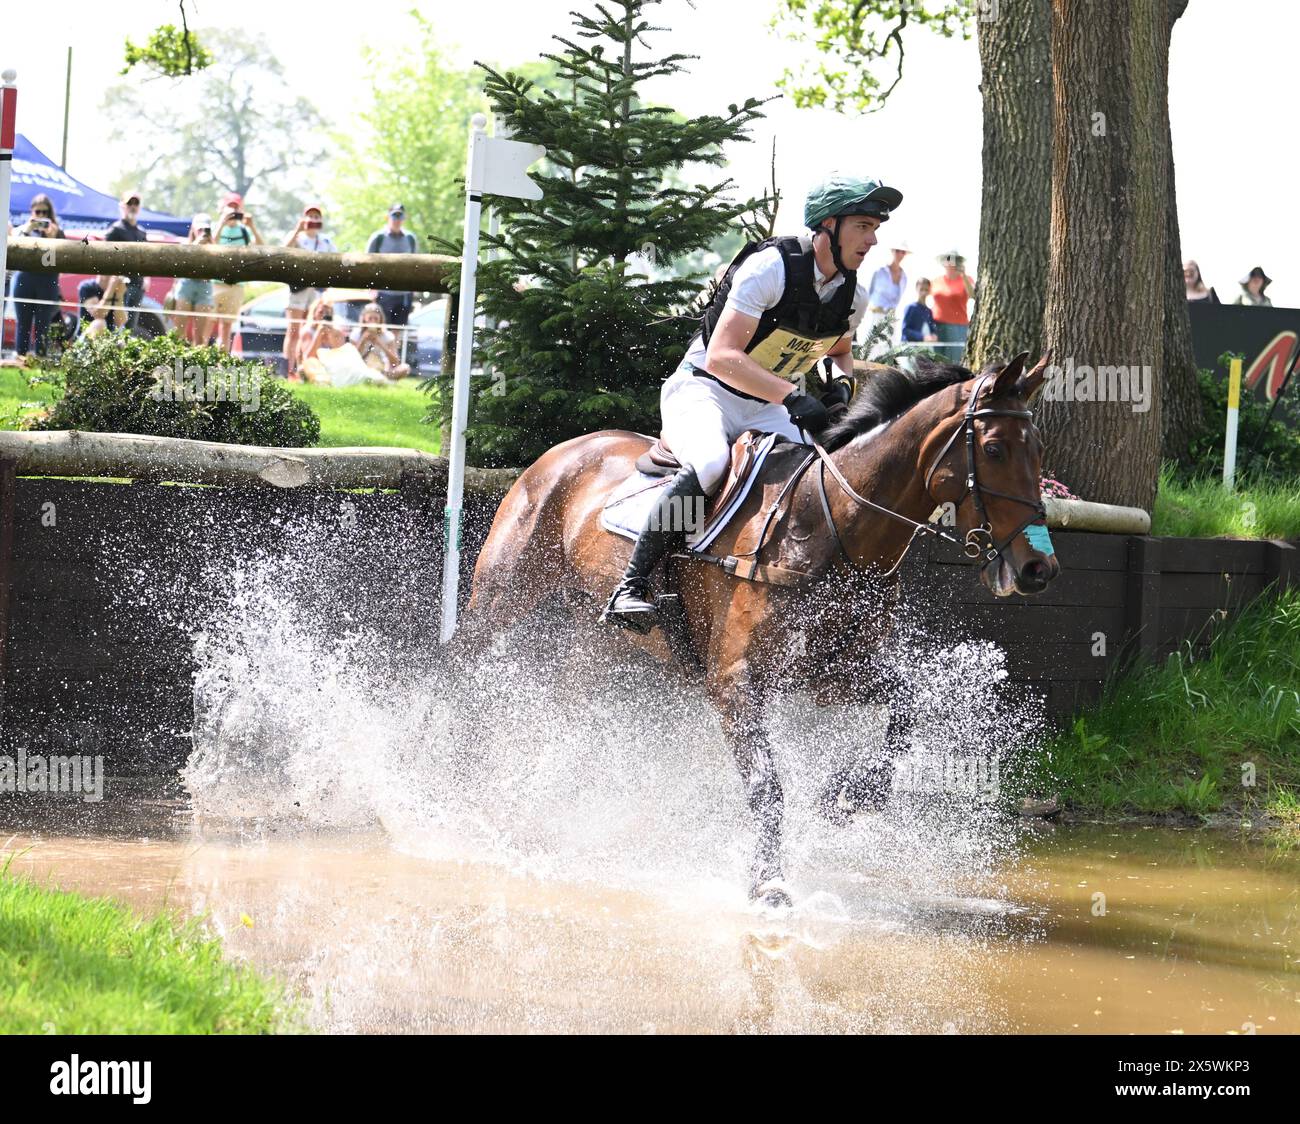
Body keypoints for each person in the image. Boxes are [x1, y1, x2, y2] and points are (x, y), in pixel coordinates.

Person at [603, 172, 902, 629]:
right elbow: (723, 356)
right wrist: (791, 396)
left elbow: (841, 353)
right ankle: (631, 585)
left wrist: (842, 387)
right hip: (704, 390)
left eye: (875, 227)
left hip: (765, 406)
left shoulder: (851, 294)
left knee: (823, 469)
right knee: (708, 464)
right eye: (863, 225)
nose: (873, 238)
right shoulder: (771, 269)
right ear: (828, 226)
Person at [283, 203, 337, 377]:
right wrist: (297, 229)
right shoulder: (297, 237)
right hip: (298, 289)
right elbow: (283, 251)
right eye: (310, 216)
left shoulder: (326, 241)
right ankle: (289, 370)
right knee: (294, 330)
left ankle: (304, 368)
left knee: (309, 330)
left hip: (316, 290)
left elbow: (335, 261)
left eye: (316, 216)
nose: (313, 219)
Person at [11, 194, 65, 357]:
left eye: (45, 212)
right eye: (38, 212)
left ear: (50, 213)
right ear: (31, 212)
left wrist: (52, 238)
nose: (41, 216)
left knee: (43, 325)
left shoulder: (57, 232)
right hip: (25, 280)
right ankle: (21, 358)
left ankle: (40, 360)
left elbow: (59, 261)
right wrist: (27, 231)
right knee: (23, 324)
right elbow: (13, 250)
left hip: (47, 282)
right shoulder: (23, 230)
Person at [211, 193, 264, 353]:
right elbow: (211, 243)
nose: (233, 211)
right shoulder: (217, 227)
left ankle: (221, 360)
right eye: (230, 207)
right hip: (215, 283)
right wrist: (222, 221)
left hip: (236, 284)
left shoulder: (244, 231)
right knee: (208, 323)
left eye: (236, 208)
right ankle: (202, 358)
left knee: (226, 327)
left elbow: (262, 247)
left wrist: (252, 226)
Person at [366, 204, 418, 362]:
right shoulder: (378, 237)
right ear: (388, 217)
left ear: (404, 218)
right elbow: (367, 263)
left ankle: (392, 363)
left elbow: (415, 264)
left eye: (400, 216)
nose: (397, 219)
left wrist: (412, 290)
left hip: (403, 294)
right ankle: (376, 362)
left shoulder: (410, 238)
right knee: (380, 329)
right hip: (383, 293)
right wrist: (371, 289)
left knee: (397, 331)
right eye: (394, 216)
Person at [104, 190, 150, 333]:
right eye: (129, 202)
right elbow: (106, 258)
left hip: (137, 285)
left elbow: (146, 259)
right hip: (118, 286)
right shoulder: (115, 230)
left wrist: (147, 279)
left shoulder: (142, 232)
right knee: (114, 327)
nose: (133, 206)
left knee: (130, 329)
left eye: (136, 203)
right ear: (122, 205)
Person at [173, 213, 216, 345]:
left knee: (200, 338)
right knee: (179, 334)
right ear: (193, 229)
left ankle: (196, 364)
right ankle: (177, 363)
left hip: (205, 286)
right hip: (186, 284)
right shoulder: (185, 243)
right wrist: (196, 244)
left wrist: (210, 243)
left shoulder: (214, 246)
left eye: (206, 230)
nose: (202, 232)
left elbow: (217, 263)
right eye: (200, 229)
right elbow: (180, 262)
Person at [861, 240, 909, 346]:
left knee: (888, 350)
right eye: (897, 251)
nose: (900, 254)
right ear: (892, 251)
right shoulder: (879, 272)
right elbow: (867, 294)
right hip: (875, 316)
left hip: (891, 319)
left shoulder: (904, 277)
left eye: (903, 252)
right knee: (871, 348)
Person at [929, 250, 975, 361]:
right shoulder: (936, 281)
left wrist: (963, 275)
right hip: (936, 326)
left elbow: (973, 295)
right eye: (948, 258)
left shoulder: (967, 279)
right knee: (936, 360)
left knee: (954, 360)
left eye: (955, 259)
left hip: (957, 326)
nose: (951, 262)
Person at [351, 302, 411, 379]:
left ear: (380, 319)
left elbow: (395, 363)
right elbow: (352, 358)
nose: (373, 321)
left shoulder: (388, 336)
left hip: (383, 371)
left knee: (405, 368)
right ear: (364, 319)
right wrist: (363, 340)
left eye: (376, 319)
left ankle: (382, 379)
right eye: (370, 318)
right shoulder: (356, 334)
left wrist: (380, 343)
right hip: (361, 369)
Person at [294, 296, 347, 382]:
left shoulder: (337, 332)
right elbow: (309, 357)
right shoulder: (307, 331)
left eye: (327, 314)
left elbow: (340, 354)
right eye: (321, 312)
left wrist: (330, 334)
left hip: (332, 364)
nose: (323, 316)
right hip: (313, 364)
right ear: (314, 314)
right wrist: (319, 333)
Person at [900, 277, 940, 343]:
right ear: (916, 288)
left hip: (923, 348)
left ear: (929, 291)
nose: (924, 292)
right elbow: (905, 330)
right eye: (921, 289)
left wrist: (934, 335)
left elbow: (932, 329)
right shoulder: (911, 307)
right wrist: (922, 337)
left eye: (926, 290)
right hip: (909, 347)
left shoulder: (929, 311)